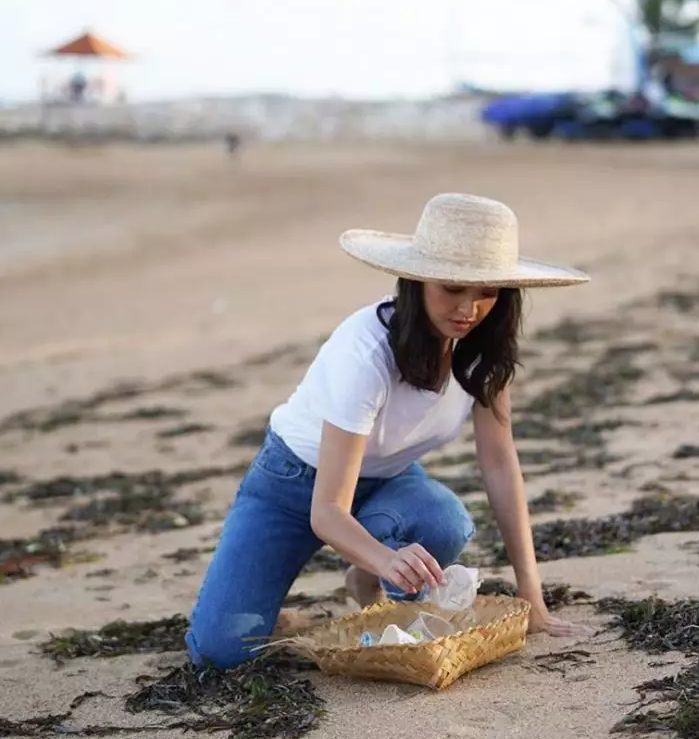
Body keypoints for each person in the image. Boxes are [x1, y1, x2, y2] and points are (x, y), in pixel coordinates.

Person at [186, 193, 590, 668]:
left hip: (387, 487)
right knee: (219, 654)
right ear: (415, 281)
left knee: (445, 521)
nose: (469, 308)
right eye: (452, 288)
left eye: (486, 291)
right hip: (292, 487)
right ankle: (284, 601)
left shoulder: (482, 349)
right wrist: (385, 558)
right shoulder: (366, 352)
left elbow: (500, 465)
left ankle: (361, 581)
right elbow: (327, 510)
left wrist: (532, 597)